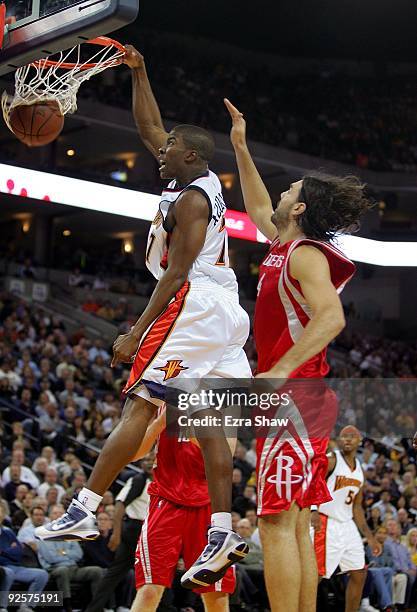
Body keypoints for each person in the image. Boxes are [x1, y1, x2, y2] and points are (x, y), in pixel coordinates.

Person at [36, 45, 251, 587]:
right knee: (208, 426)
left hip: (194, 304)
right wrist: (140, 71)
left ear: (194, 156)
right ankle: (223, 531)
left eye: (172, 147)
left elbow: (176, 274)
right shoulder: (187, 180)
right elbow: (150, 125)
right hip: (227, 314)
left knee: (139, 403)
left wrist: (134, 331)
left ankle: (85, 506)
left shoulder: (191, 203)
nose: (162, 151)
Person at [225, 98, 372, 612]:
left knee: (274, 520)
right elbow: (261, 208)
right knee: (294, 520)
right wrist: (240, 147)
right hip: (303, 399)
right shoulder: (283, 245)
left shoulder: (305, 254)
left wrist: (280, 370)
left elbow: (332, 318)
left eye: (292, 190)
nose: (283, 192)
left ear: (303, 208)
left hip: (293, 396)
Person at [130, 407, 235, 612]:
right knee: (150, 589)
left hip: (209, 504)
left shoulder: (222, 395)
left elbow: (228, 452)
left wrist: (190, 425)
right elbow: (134, 453)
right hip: (165, 502)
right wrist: (161, 422)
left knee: (216, 596)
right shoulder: (160, 393)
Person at [312, 427, 382, 612]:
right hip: (326, 520)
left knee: (359, 572)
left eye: (352, 437)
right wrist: (313, 510)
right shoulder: (331, 460)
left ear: (360, 440)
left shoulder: (359, 469)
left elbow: (357, 506)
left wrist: (370, 536)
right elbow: (311, 482)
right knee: (317, 575)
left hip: (347, 523)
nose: (347, 440)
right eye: (344, 437)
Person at [84, 461, 152, 612]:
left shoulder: (161, 481)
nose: (150, 462)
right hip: (135, 529)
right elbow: (120, 505)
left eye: (154, 459)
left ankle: (93, 608)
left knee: (115, 574)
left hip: (149, 530)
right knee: (155, 572)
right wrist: (116, 533)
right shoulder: (138, 480)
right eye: (147, 460)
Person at [37, 506, 104, 612]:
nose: (58, 515)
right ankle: (67, 606)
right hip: (53, 570)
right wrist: (68, 554)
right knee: (62, 570)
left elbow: (78, 554)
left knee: (97, 571)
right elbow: (51, 558)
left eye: (61, 513)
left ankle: (97, 606)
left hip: (74, 569)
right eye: (55, 513)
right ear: (49, 517)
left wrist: (62, 553)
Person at [0, 504, 49, 612]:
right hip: (3, 567)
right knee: (8, 572)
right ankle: (2, 607)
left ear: (3, 516)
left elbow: (19, 552)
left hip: (16, 567)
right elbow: (13, 551)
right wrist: (10, 551)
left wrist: (3, 551)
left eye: (1, 513)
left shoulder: (8, 532)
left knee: (42, 574)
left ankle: (27, 606)